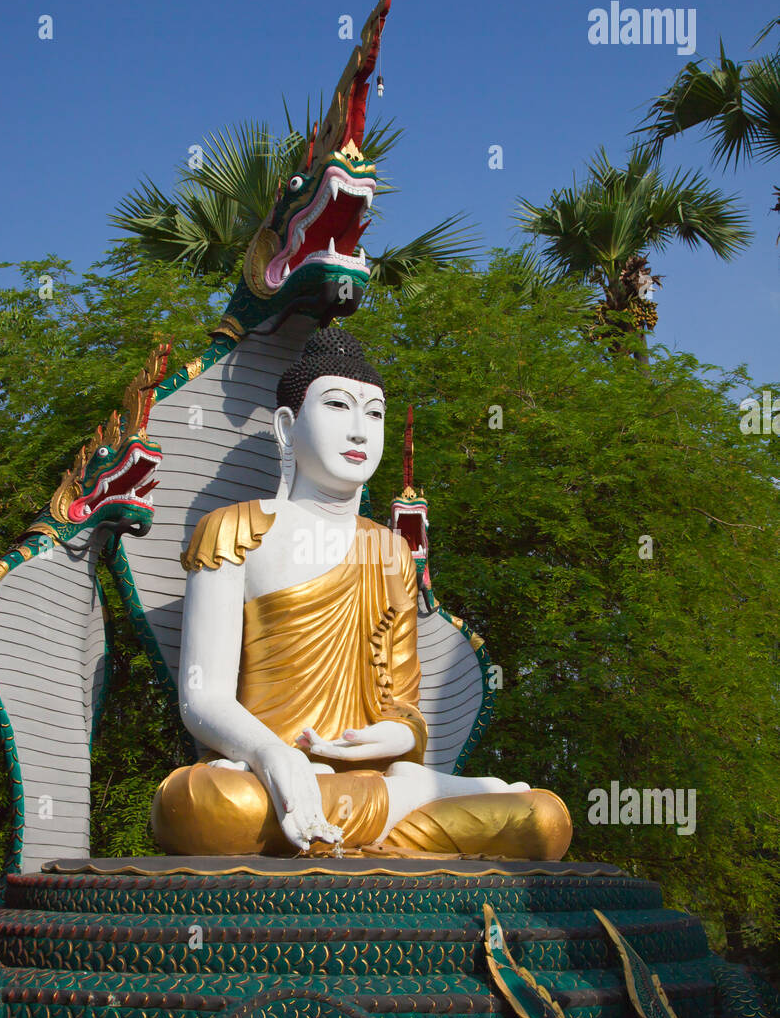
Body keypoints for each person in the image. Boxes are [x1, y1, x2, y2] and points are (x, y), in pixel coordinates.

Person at [151, 329, 572, 859]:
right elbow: (202, 696)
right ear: (287, 426)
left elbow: (403, 706)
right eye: (337, 406)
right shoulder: (236, 529)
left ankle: (374, 807)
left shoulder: (390, 550)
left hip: (358, 777)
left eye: (374, 414)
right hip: (261, 779)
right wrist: (274, 755)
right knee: (201, 805)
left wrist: (397, 738)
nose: (359, 430)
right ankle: (400, 804)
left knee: (543, 819)